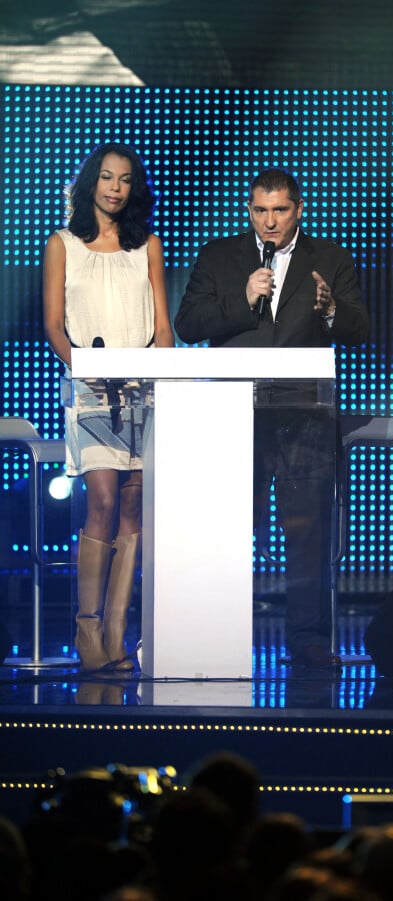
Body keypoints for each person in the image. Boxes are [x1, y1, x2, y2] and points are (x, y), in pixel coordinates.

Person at [174, 168, 369, 668]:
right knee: (228, 524)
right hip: (232, 412)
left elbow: (361, 327)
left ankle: (307, 638)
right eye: (260, 210)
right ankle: (214, 630)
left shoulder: (329, 258)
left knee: (305, 528)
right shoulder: (221, 256)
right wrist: (241, 298)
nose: (270, 221)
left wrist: (329, 311)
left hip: (304, 414)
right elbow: (188, 323)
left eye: (280, 210)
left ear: (299, 209)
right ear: (249, 209)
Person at [43, 141, 174, 673]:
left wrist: (168, 378)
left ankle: (118, 630)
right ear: (90, 183)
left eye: (123, 179)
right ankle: (88, 626)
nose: (115, 187)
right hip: (91, 387)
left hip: (145, 388)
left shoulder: (147, 246)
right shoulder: (63, 244)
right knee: (100, 498)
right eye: (106, 177)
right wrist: (82, 367)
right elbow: (53, 324)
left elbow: (162, 325)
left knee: (134, 506)